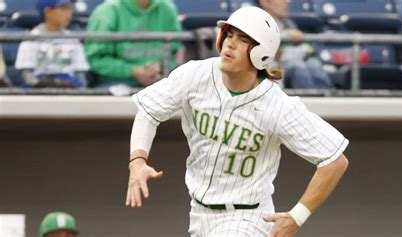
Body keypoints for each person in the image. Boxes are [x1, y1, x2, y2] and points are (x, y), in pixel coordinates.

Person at [126, 6, 349, 237]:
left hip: (247, 216)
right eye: (229, 35)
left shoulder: (278, 105)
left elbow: (334, 160)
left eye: (242, 40)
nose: (230, 44)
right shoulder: (195, 74)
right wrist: (138, 161)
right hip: (198, 213)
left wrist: (298, 216)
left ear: (261, 53)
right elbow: (148, 111)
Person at [85, 0, 182, 88]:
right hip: (114, 84)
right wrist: (134, 71)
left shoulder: (167, 8)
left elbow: (173, 53)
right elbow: (97, 60)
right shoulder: (106, 11)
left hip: (160, 82)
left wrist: (160, 67)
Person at [256, 0, 332, 89]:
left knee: (314, 63)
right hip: (273, 70)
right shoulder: (257, 23)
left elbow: (305, 49)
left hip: (290, 62)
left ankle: (328, 98)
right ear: (264, 1)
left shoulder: (286, 22)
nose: (287, 1)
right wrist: (286, 36)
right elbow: (275, 55)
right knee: (299, 67)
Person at [15, 0, 89, 88]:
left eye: (70, 8)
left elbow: (81, 75)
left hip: (69, 87)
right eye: (64, 8)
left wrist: (76, 86)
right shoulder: (31, 39)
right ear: (48, 11)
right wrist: (48, 84)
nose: (69, 13)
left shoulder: (73, 39)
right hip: (38, 90)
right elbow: (27, 75)